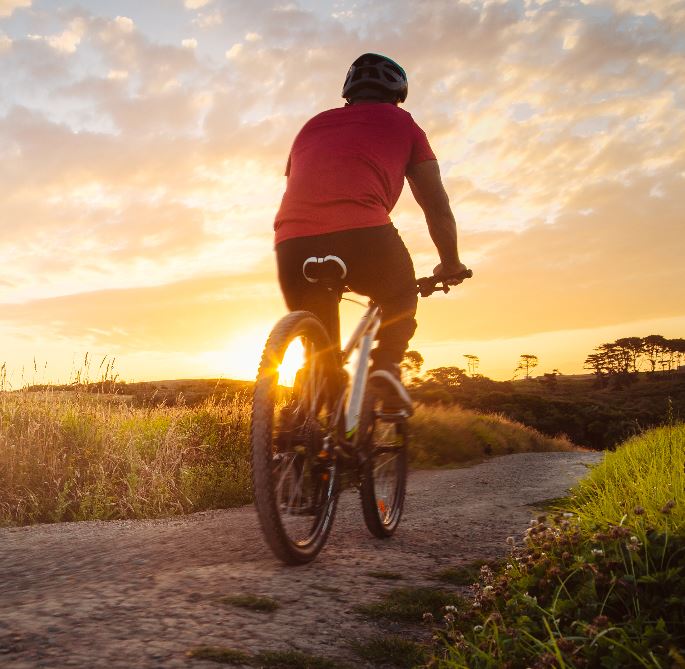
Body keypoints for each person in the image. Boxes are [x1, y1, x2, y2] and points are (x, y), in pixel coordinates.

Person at [273, 52, 467, 381]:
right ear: (397, 94)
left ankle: (311, 400)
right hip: (363, 235)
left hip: (292, 243)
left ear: (349, 93)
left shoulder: (312, 125)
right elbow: (435, 203)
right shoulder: (404, 124)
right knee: (400, 294)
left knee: (323, 360)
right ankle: (385, 369)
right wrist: (450, 263)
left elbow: (298, 184)